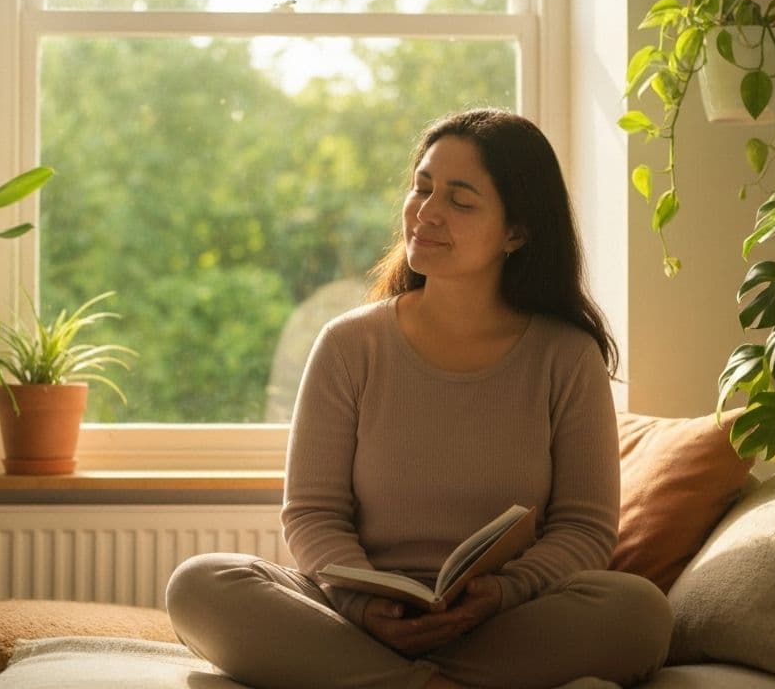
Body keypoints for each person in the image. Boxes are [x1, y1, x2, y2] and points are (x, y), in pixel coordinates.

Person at [167, 109, 671, 689]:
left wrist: (502, 593)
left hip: (502, 621)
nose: (426, 213)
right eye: (422, 188)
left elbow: (584, 529)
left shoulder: (566, 357)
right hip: (354, 618)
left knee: (638, 611)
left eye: (460, 200)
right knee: (201, 584)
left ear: (517, 231)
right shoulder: (349, 345)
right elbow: (312, 513)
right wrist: (360, 604)